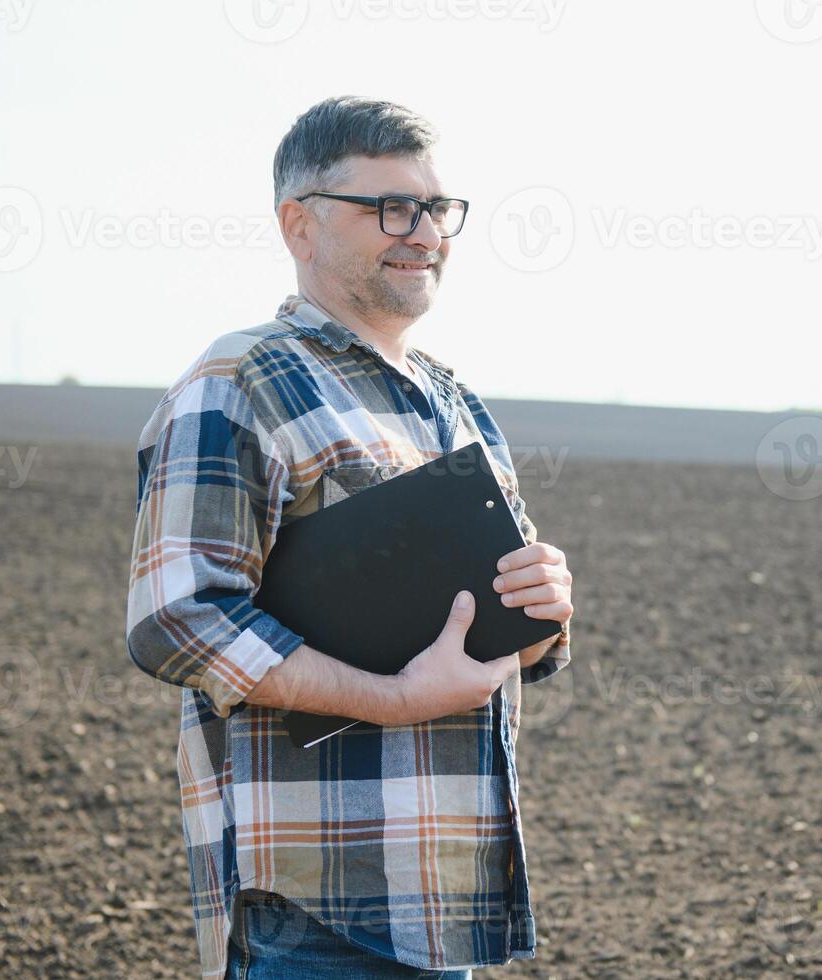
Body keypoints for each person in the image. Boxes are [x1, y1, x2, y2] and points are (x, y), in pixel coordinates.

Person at [125, 96, 574, 980]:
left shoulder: (454, 402)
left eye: (437, 210)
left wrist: (544, 612)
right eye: (389, 208)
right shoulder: (240, 380)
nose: (424, 233)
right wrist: (394, 698)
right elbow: (178, 617)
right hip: (316, 913)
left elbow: (486, 632)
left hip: (446, 903)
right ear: (300, 225)